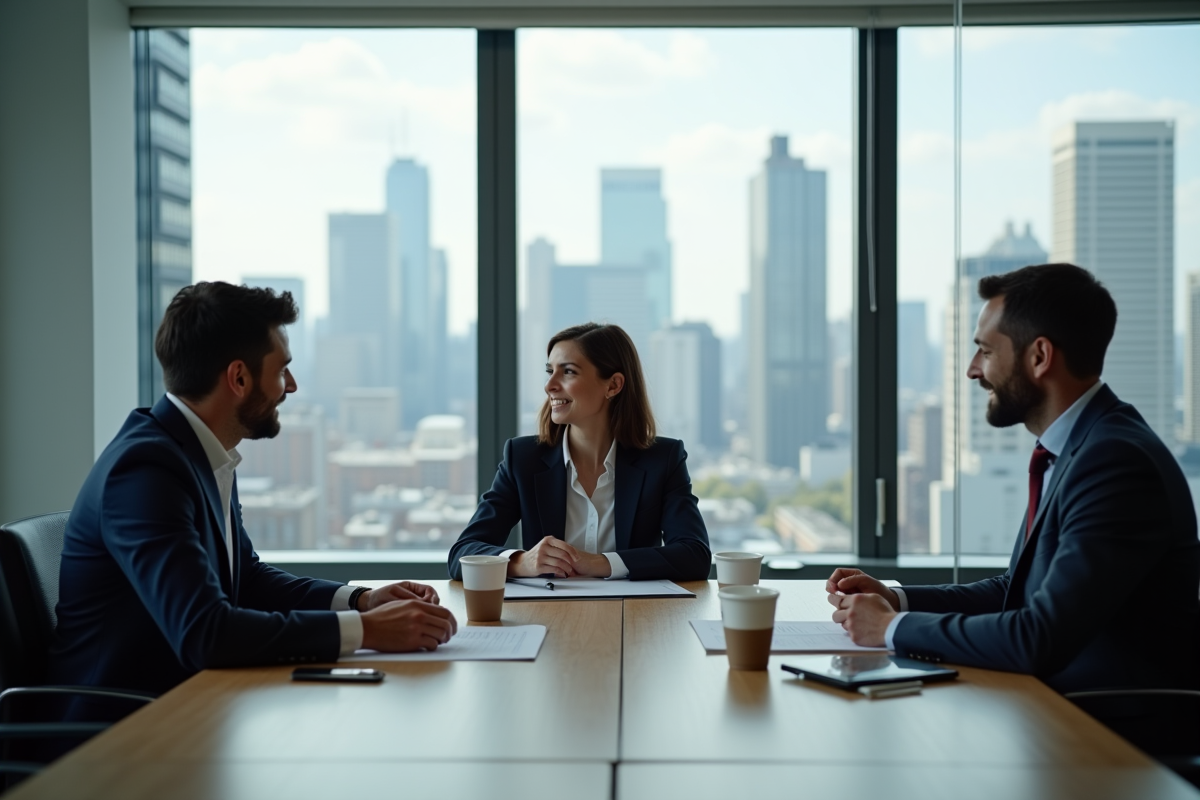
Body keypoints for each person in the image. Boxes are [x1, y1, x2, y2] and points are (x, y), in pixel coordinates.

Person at [50, 282, 457, 710]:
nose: (292, 386)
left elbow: (247, 579)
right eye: (282, 369)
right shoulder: (146, 470)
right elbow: (204, 633)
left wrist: (361, 600)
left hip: (192, 710)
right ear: (239, 378)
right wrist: (367, 630)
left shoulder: (201, 452)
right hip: (115, 735)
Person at [827, 263, 1199, 695]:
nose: (972, 369)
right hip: (1052, 709)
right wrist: (899, 600)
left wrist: (891, 628)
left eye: (985, 351)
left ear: (1039, 357)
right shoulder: (1078, 447)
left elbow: (1038, 637)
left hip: (1109, 735)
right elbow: (1016, 591)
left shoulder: (1114, 462)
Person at [448, 323, 710, 582]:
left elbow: (695, 555)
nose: (549, 385)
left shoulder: (662, 459)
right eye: (550, 371)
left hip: (634, 615)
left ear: (613, 385)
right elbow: (462, 554)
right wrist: (522, 561)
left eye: (568, 372)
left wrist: (599, 563)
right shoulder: (522, 458)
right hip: (550, 617)